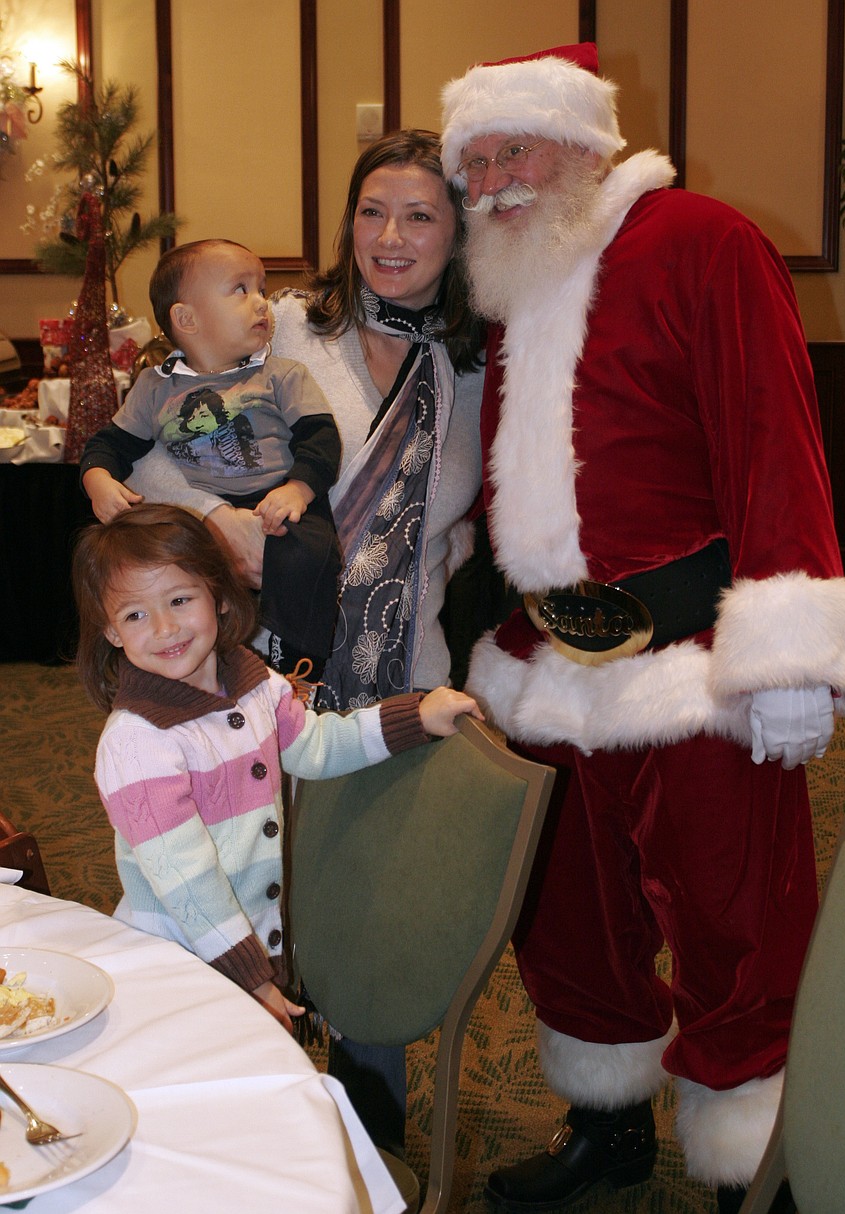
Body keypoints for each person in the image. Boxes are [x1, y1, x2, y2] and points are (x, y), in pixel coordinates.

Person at [440, 42, 845, 1214]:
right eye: (473, 159)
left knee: (736, 922)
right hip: (542, 665)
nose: (491, 179)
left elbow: (774, 440)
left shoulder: (704, 243)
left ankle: (750, 1156)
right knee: (568, 918)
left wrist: (787, 655)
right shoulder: (515, 275)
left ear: (579, 144)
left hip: (691, 663)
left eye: (511, 148)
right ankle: (607, 1123)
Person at [119, 130, 488, 1159]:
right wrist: (217, 520)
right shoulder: (280, 327)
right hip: (243, 677)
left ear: (455, 229)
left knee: (368, 916)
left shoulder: (469, 366)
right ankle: (234, 1125)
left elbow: (462, 516)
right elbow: (152, 457)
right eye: (371, 210)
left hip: (395, 681)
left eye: (419, 214)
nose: (390, 235)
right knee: (228, 895)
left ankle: (362, 1132)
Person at [71, 503, 482, 1036]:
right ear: (110, 631)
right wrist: (251, 976)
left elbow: (314, 745)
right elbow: (185, 878)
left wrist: (413, 716)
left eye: (179, 599)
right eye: (135, 615)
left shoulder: (252, 680)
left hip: (245, 946)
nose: (165, 627)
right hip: (178, 960)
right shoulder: (137, 743)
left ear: (217, 596)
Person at [80, 238, 343, 678]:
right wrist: (98, 481)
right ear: (186, 318)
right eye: (240, 290)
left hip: (279, 495)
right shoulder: (154, 387)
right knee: (166, 570)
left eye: (261, 288)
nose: (262, 303)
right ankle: (200, 664)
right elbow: (110, 445)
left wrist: (298, 489)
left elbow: (319, 437)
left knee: (309, 554)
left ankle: (302, 662)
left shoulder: (280, 375)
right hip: (203, 507)